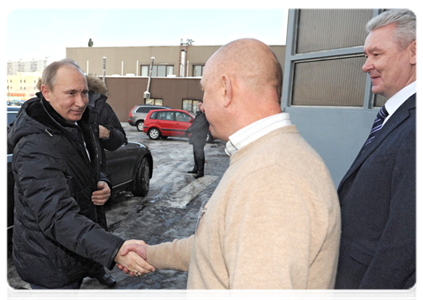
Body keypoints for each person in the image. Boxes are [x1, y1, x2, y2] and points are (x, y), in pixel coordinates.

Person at [119, 38, 341, 299]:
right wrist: (152, 254)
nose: (202, 103)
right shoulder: (263, 159)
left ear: (226, 89)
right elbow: (217, 247)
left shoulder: (271, 176)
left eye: (205, 91)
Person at [7, 59, 154, 299]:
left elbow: (90, 166)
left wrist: (103, 182)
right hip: (50, 262)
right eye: (71, 93)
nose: (81, 101)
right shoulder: (35, 145)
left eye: (84, 92)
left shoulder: (76, 124)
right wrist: (115, 249)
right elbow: (56, 216)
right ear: (46, 92)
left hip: (75, 252)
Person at [333, 9, 420, 300]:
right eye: (365, 56)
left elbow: (405, 243)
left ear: (415, 51)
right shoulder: (397, 117)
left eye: (376, 54)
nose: (365, 65)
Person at [84, 75, 127, 287]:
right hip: (69, 178)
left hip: (95, 175)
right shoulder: (52, 108)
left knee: (96, 226)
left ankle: (97, 268)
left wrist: (107, 132)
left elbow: (120, 138)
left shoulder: (100, 106)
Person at [185, 100, 209, 178]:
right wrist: (188, 129)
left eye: (200, 105)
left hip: (200, 138)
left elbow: (199, 126)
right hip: (195, 137)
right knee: (195, 154)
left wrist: (190, 130)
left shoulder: (205, 115)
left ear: (204, 106)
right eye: (198, 105)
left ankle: (200, 172)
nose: (199, 106)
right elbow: (194, 124)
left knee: (200, 155)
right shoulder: (198, 115)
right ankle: (196, 169)